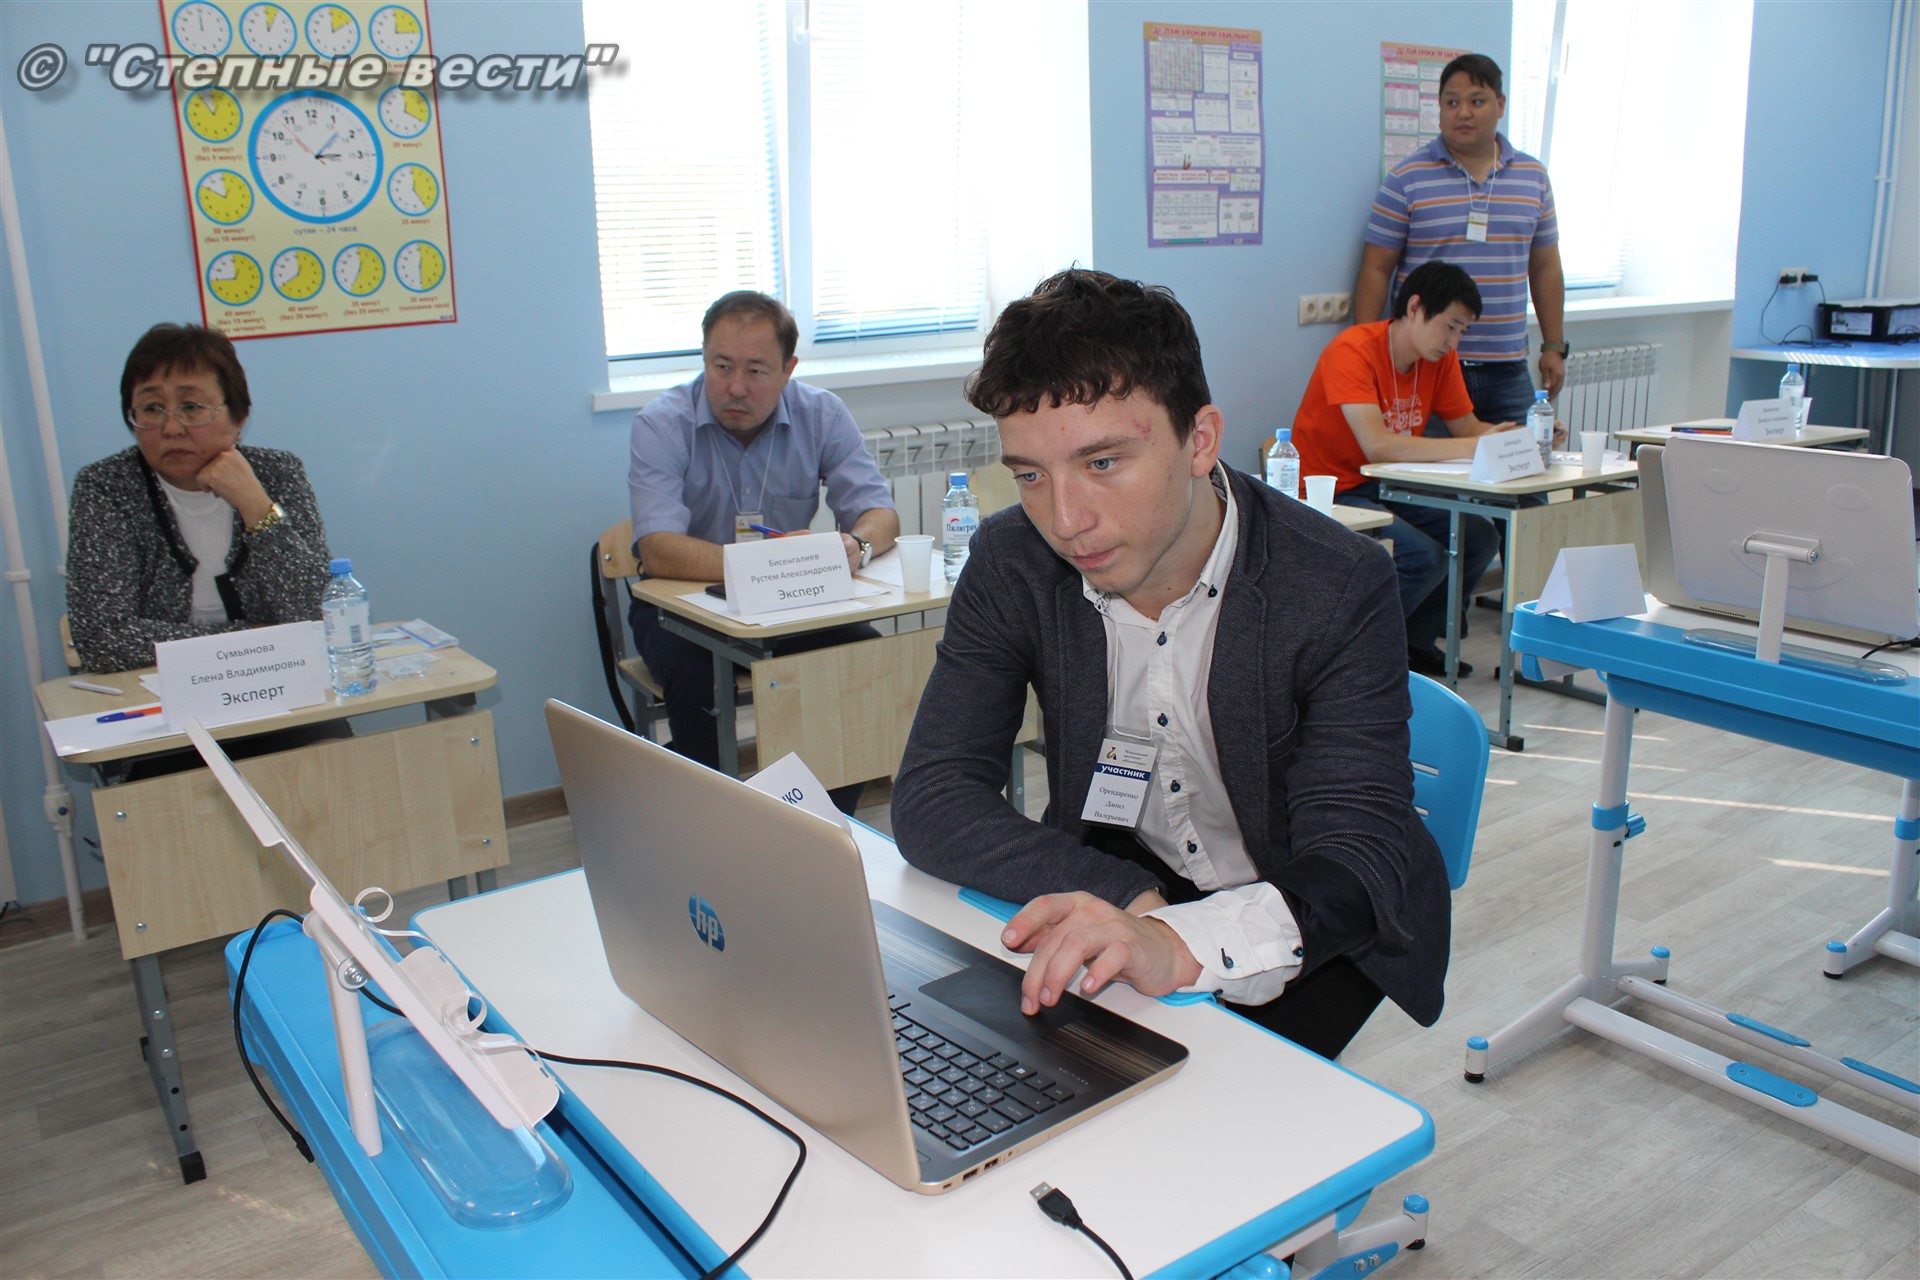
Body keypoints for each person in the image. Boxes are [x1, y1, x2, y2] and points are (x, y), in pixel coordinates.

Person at [891, 269, 1450, 1060]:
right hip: (1128, 869)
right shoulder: (1013, 561)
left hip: (1305, 914)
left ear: (1200, 441)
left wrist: (1179, 941)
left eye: (1103, 463)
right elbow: (934, 794)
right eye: (1030, 475)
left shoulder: (1334, 582)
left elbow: (1358, 857)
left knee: (1197, 1109)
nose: (1065, 519)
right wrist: (1134, 904)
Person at [627, 290, 899, 807]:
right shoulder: (661, 424)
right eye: (721, 366)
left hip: (788, 603)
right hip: (682, 608)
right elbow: (657, 548)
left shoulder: (822, 414)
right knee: (695, 678)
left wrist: (855, 544)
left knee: (861, 653)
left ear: (788, 369)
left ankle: (823, 819)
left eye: (756, 371)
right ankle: (711, 820)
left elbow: (879, 514)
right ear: (703, 357)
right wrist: (767, 564)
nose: (735, 387)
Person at [1292, 261, 1540, 679]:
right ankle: (1354, 657)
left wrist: (1523, 437)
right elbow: (1378, 445)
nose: (1454, 341)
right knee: (1422, 557)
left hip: (1389, 485)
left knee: (1479, 536)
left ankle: (1416, 645)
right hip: (1335, 489)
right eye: (1450, 327)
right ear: (1415, 308)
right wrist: (1476, 445)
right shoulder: (1352, 350)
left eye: (1462, 331)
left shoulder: (1438, 360)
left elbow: (1469, 429)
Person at [66, 323, 330, 675]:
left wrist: (257, 507)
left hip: (278, 683)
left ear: (239, 418)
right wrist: (248, 639)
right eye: (152, 408)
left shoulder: (277, 473)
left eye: (191, 407)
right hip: (153, 692)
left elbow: (321, 614)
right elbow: (101, 639)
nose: (172, 428)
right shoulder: (106, 487)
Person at [1353, 52, 1566, 427]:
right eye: (1451, 103)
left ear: (1500, 105)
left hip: (1507, 366)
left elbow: (1545, 267)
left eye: (1476, 101)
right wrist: (1365, 353)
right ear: (1439, 109)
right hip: (1426, 364)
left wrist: (1553, 346)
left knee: (1524, 461)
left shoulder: (1533, 177)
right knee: (1429, 467)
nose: (1463, 113)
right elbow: (1376, 269)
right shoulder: (1407, 178)